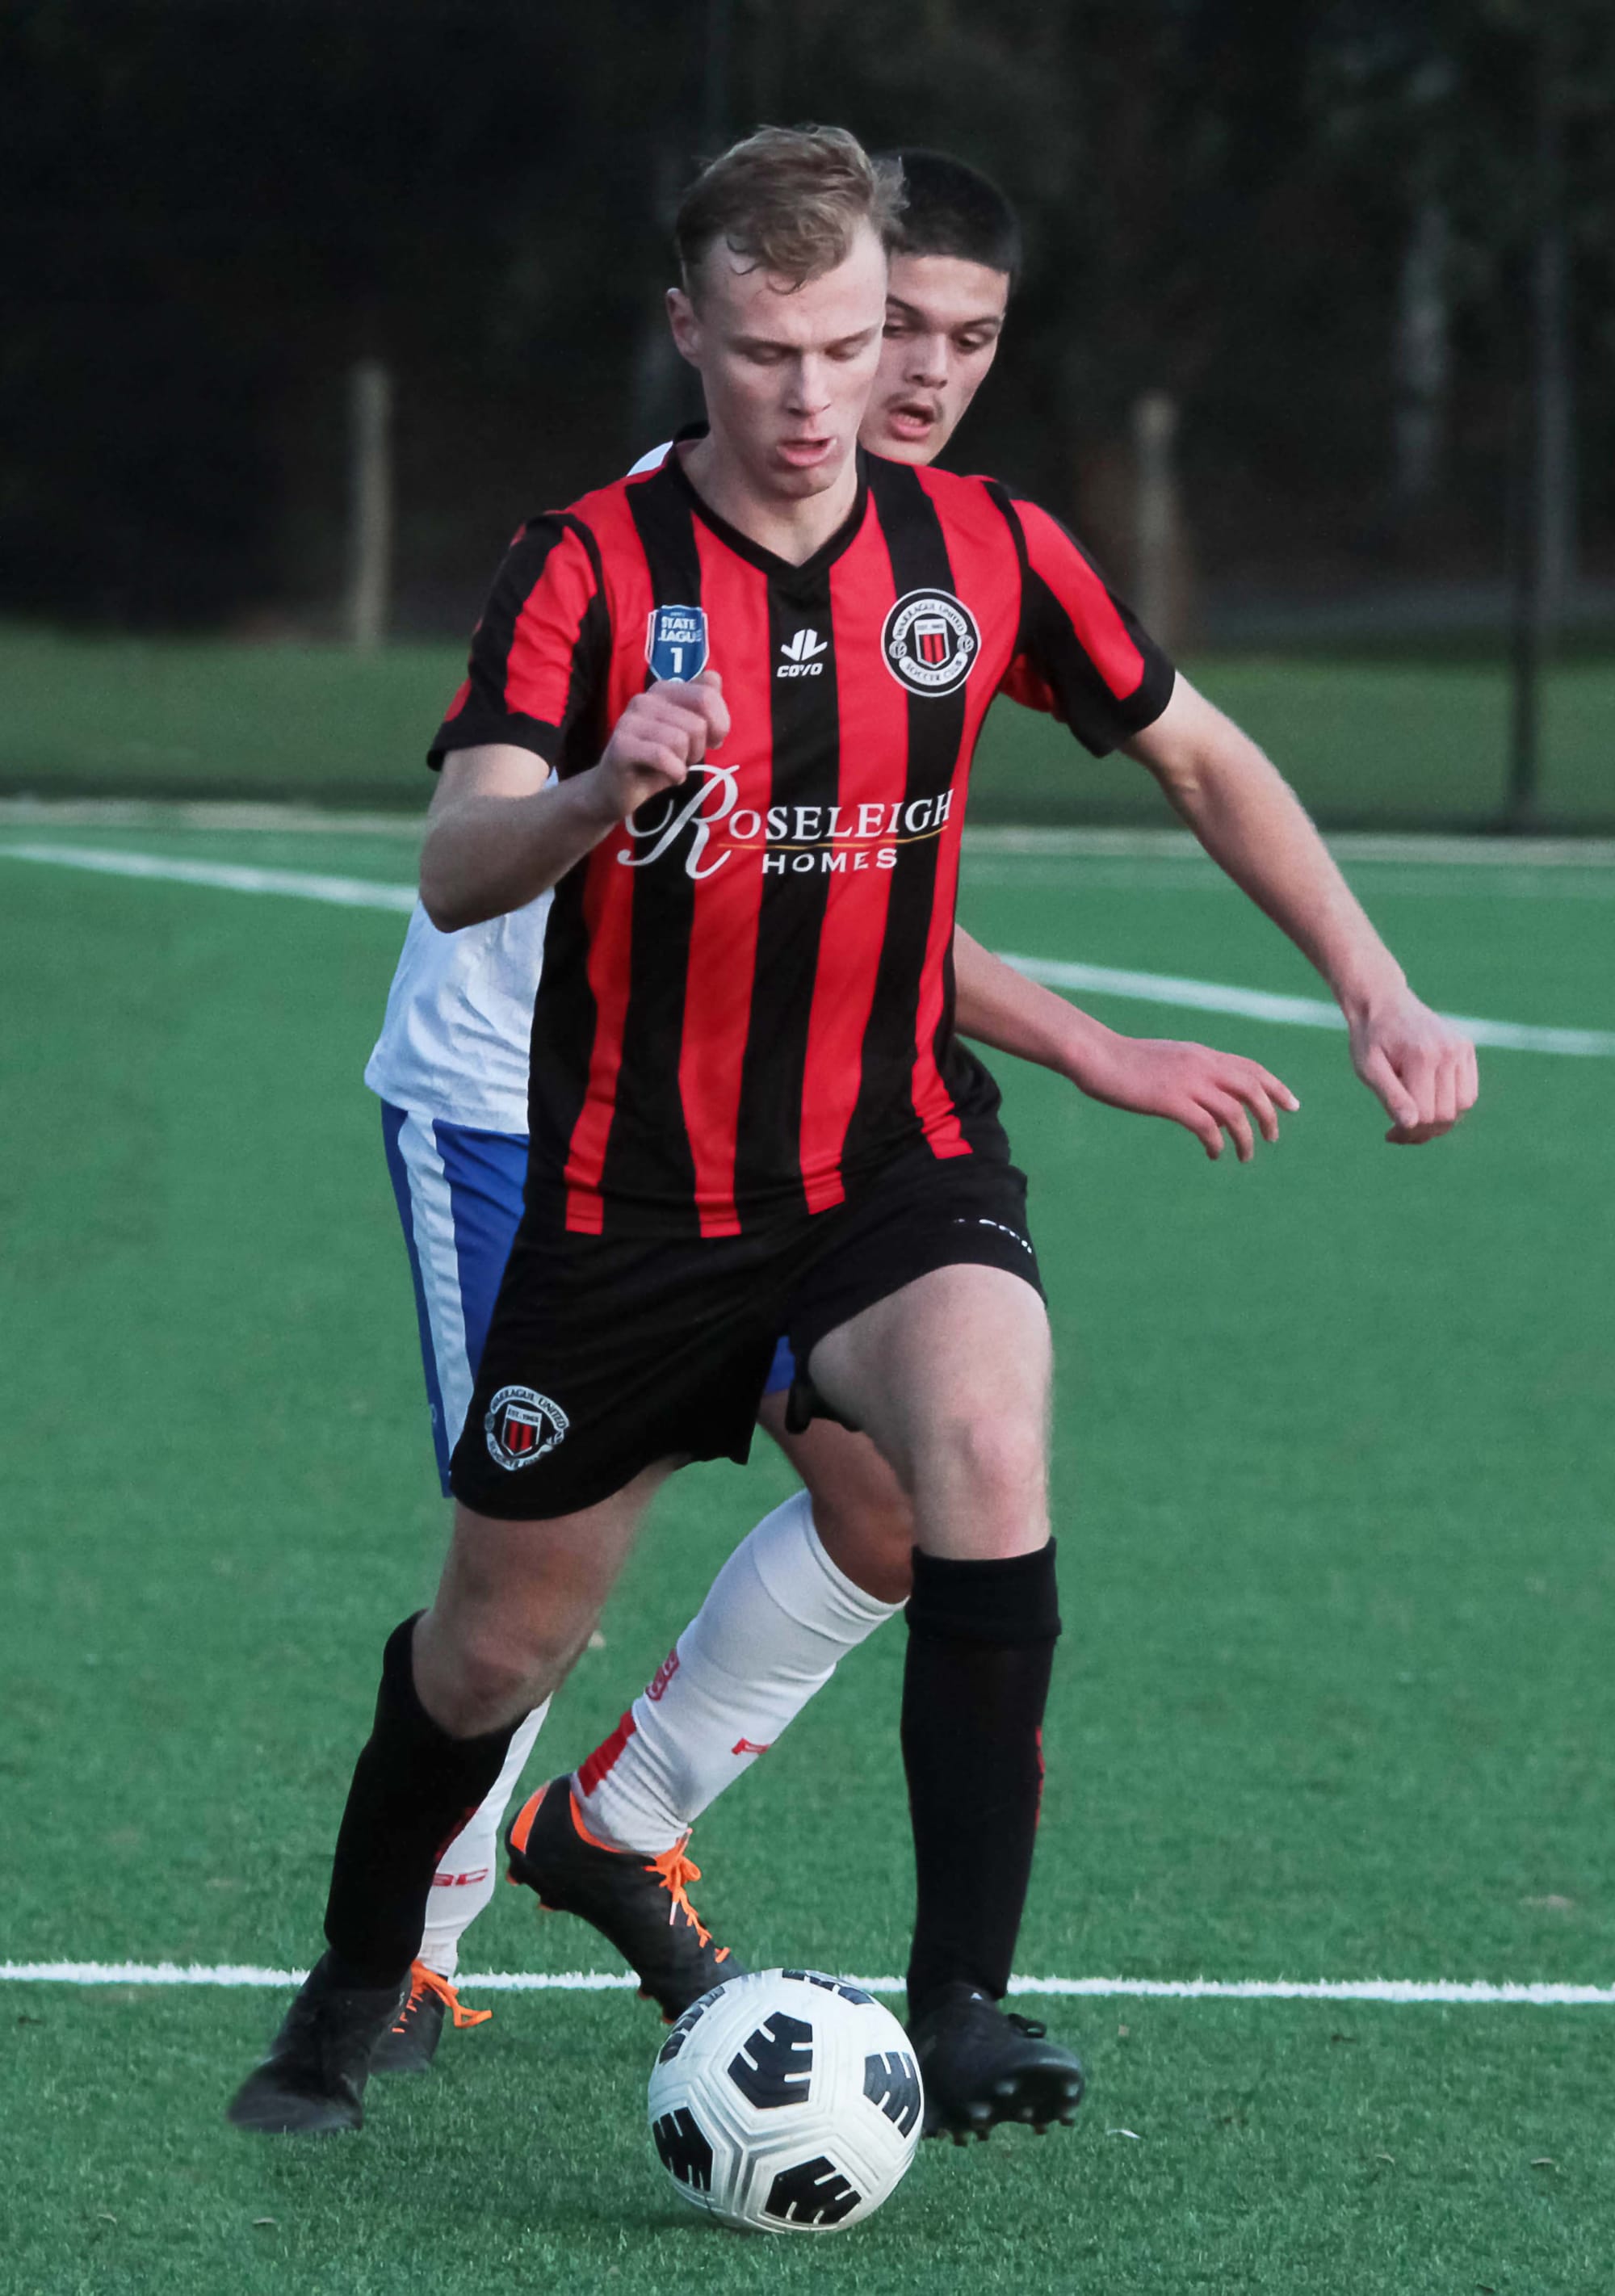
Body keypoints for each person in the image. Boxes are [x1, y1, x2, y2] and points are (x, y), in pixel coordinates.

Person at [229, 125, 1474, 2144]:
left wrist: (1370, 983)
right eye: (775, 351)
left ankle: (958, 2006)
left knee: (974, 1447)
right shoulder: (590, 567)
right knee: (493, 1649)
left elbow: (1184, 754)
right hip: (617, 1185)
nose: (829, 393)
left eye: (863, 343)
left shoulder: (985, 552)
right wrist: (597, 794)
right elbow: (459, 865)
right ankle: (360, 1984)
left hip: (884, 1162)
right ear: (689, 334)